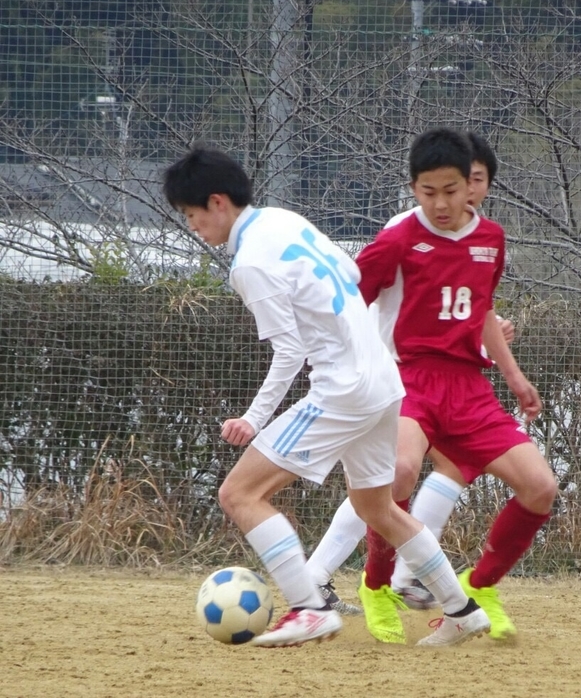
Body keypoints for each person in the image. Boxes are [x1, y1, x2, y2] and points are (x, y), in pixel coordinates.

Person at [162, 146, 489, 647]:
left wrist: (254, 417)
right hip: (383, 378)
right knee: (378, 508)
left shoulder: (248, 262)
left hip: (344, 388)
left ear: (217, 202)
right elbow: (353, 275)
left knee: (239, 493)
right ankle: (462, 610)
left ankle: (308, 607)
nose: (193, 227)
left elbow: (290, 350)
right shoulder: (283, 220)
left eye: (192, 216)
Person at [351, 127, 557, 644]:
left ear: (472, 185)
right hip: (409, 379)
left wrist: (513, 375)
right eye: (427, 192)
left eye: (450, 190)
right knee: (398, 473)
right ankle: (376, 586)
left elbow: (482, 308)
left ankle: (480, 584)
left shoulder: (491, 238)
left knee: (541, 488)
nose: (440, 203)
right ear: (413, 188)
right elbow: (350, 302)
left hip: (469, 388)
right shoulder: (398, 240)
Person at [306, 132, 513, 615]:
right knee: (393, 476)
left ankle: (400, 575)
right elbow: (359, 294)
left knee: (433, 470)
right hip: (396, 374)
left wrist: (491, 338)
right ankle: (344, 576)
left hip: (445, 378)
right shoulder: (409, 227)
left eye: (476, 183)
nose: (469, 193)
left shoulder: (481, 235)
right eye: (468, 181)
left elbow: (464, 308)